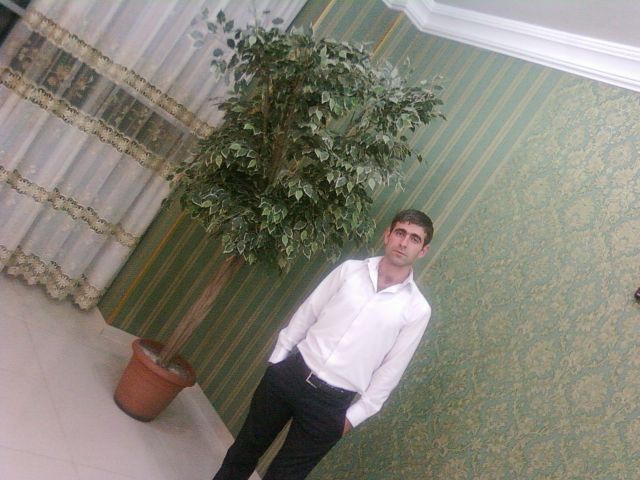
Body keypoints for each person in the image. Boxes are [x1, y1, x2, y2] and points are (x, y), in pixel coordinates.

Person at [212, 209, 434, 480]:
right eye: (400, 233)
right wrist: (278, 361)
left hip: (331, 405)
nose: (404, 243)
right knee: (244, 451)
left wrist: (352, 418)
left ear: (422, 251)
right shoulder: (350, 271)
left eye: (414, 239)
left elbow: (392, 370)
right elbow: (308, 312)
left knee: (285, 476)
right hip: (291, 374)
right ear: (387, 235)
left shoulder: (417, 309)